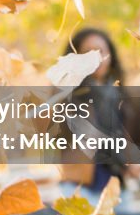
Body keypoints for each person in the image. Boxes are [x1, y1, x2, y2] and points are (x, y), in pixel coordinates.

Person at [58, 27, 135, 202]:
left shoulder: (119, 94)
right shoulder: (68, 93)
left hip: (117, 186)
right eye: (87, 52)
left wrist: (130, 162)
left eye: (101, 51)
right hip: (80, 187)